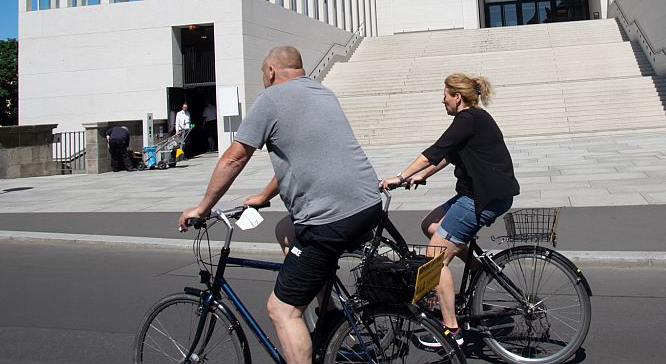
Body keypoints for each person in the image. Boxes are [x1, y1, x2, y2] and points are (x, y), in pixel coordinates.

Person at [179, 46, 381, 364]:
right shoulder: (323, 92)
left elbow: (234, 157)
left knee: (282, 309)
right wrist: (264, 196)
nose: (263, 79)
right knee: (286, 230)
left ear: (271, 71)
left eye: (262, 73)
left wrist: (203, 207)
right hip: (368, 204)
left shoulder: (271, 99)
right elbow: (303, 155)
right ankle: (329, 316)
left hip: (329, 218)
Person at [379, 73, 519, 347]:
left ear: (457, 97)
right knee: (430, 224)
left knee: (434, 256)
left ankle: (452, 331)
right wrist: (420, 176)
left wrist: (400, 176)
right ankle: (477, 268)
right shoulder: (474, 119)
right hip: (482, 194)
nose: (442, 100)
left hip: (482, 199)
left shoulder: (467, 120)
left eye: (444, 95)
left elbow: (435, 150)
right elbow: (447, 156)